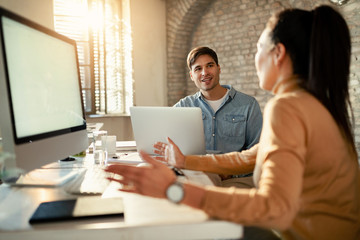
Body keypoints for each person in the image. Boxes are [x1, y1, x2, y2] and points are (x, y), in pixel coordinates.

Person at [106, 5, 360, 240]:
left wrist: (174, 190)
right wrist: (185, 161)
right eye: (197, 69)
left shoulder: (287, 107)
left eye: (259, 47)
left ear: (278, 53)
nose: (255, 57)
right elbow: (250, 156)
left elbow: (275, 209)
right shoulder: (314, 103)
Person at [173, 46, 262, 155]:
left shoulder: (249, 105)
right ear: (191, 75)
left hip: (234, 171)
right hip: (194, 171)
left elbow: (256, 151)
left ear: (219, 69)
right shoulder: (183, 107)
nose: (205, 73)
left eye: (209, 66)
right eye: (198, 68)